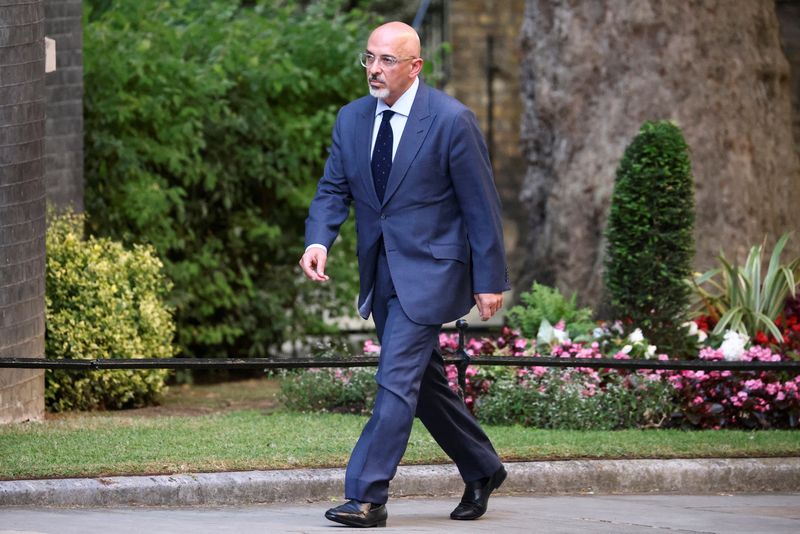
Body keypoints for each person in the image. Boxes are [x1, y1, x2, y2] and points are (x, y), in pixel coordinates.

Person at [299, 21, 509, 528]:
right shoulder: (351, 120)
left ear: (415, 66)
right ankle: (482, 467)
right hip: (381, 272)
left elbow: (481, 206)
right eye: (369, 58)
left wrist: (489, 279)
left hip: (433, 273)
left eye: (386, 60)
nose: (374, 69)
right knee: (424, 383)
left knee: (394, 380)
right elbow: (333, 189)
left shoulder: (451, 120)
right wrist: (317, 239)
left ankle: (367, 495)